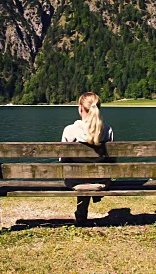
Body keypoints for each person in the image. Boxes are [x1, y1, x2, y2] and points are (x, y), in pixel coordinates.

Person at [61, 92, 114, 225]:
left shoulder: (70, 130)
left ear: (80, 108)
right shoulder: (107, 130)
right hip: (101, 181)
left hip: (75, 182)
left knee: (79, 174)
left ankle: (81, 214)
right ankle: (82, 212)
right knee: (89, 175)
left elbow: (62, 161)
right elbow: (112, 161)